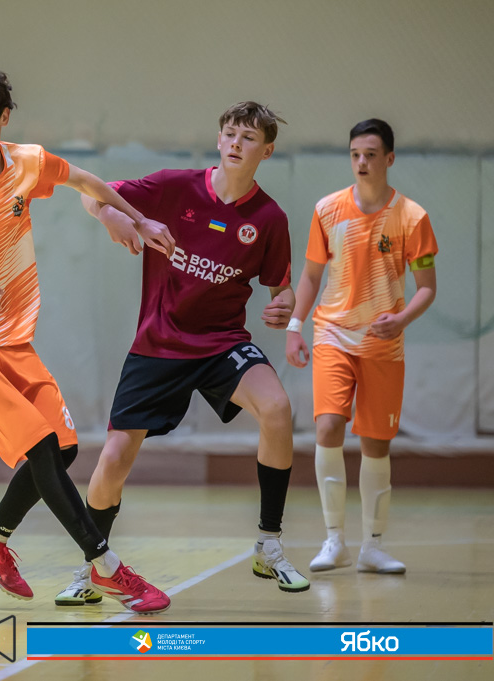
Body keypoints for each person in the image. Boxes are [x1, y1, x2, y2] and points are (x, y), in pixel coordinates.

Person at [0, 61, 174, 613]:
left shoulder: (27, 163)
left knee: (63, 448)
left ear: (3, 116)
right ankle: (107, 567)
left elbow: (87, 182)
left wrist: (137, 220)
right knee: (40, 447)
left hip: (10, 337)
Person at [55, 101, 309, 606]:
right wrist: (110, 215)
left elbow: (281, 289)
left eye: (249, 138)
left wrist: (285, 306)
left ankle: (269, 544)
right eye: (230, 134)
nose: (236, 143)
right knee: (113, 458)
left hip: (222, 343)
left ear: (266, 151)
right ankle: (91, 567)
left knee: (278, 409)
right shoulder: (173, 188)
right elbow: (90, 192)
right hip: (159, 344)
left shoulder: (269, 218)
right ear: (219, 140)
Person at [286, 118, 437, 574]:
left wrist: (402, 319)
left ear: (389, 159)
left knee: (376, 441)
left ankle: (372, 547)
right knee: (329, 426)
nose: (361, 162)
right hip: (332, 334)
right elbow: (311, 275)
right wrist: (295, 326)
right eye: (355, 154)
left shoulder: (412, 217)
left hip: (383, 344)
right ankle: (334, 541)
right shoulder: (327, 210)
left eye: (370, 155)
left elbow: (427, 288)